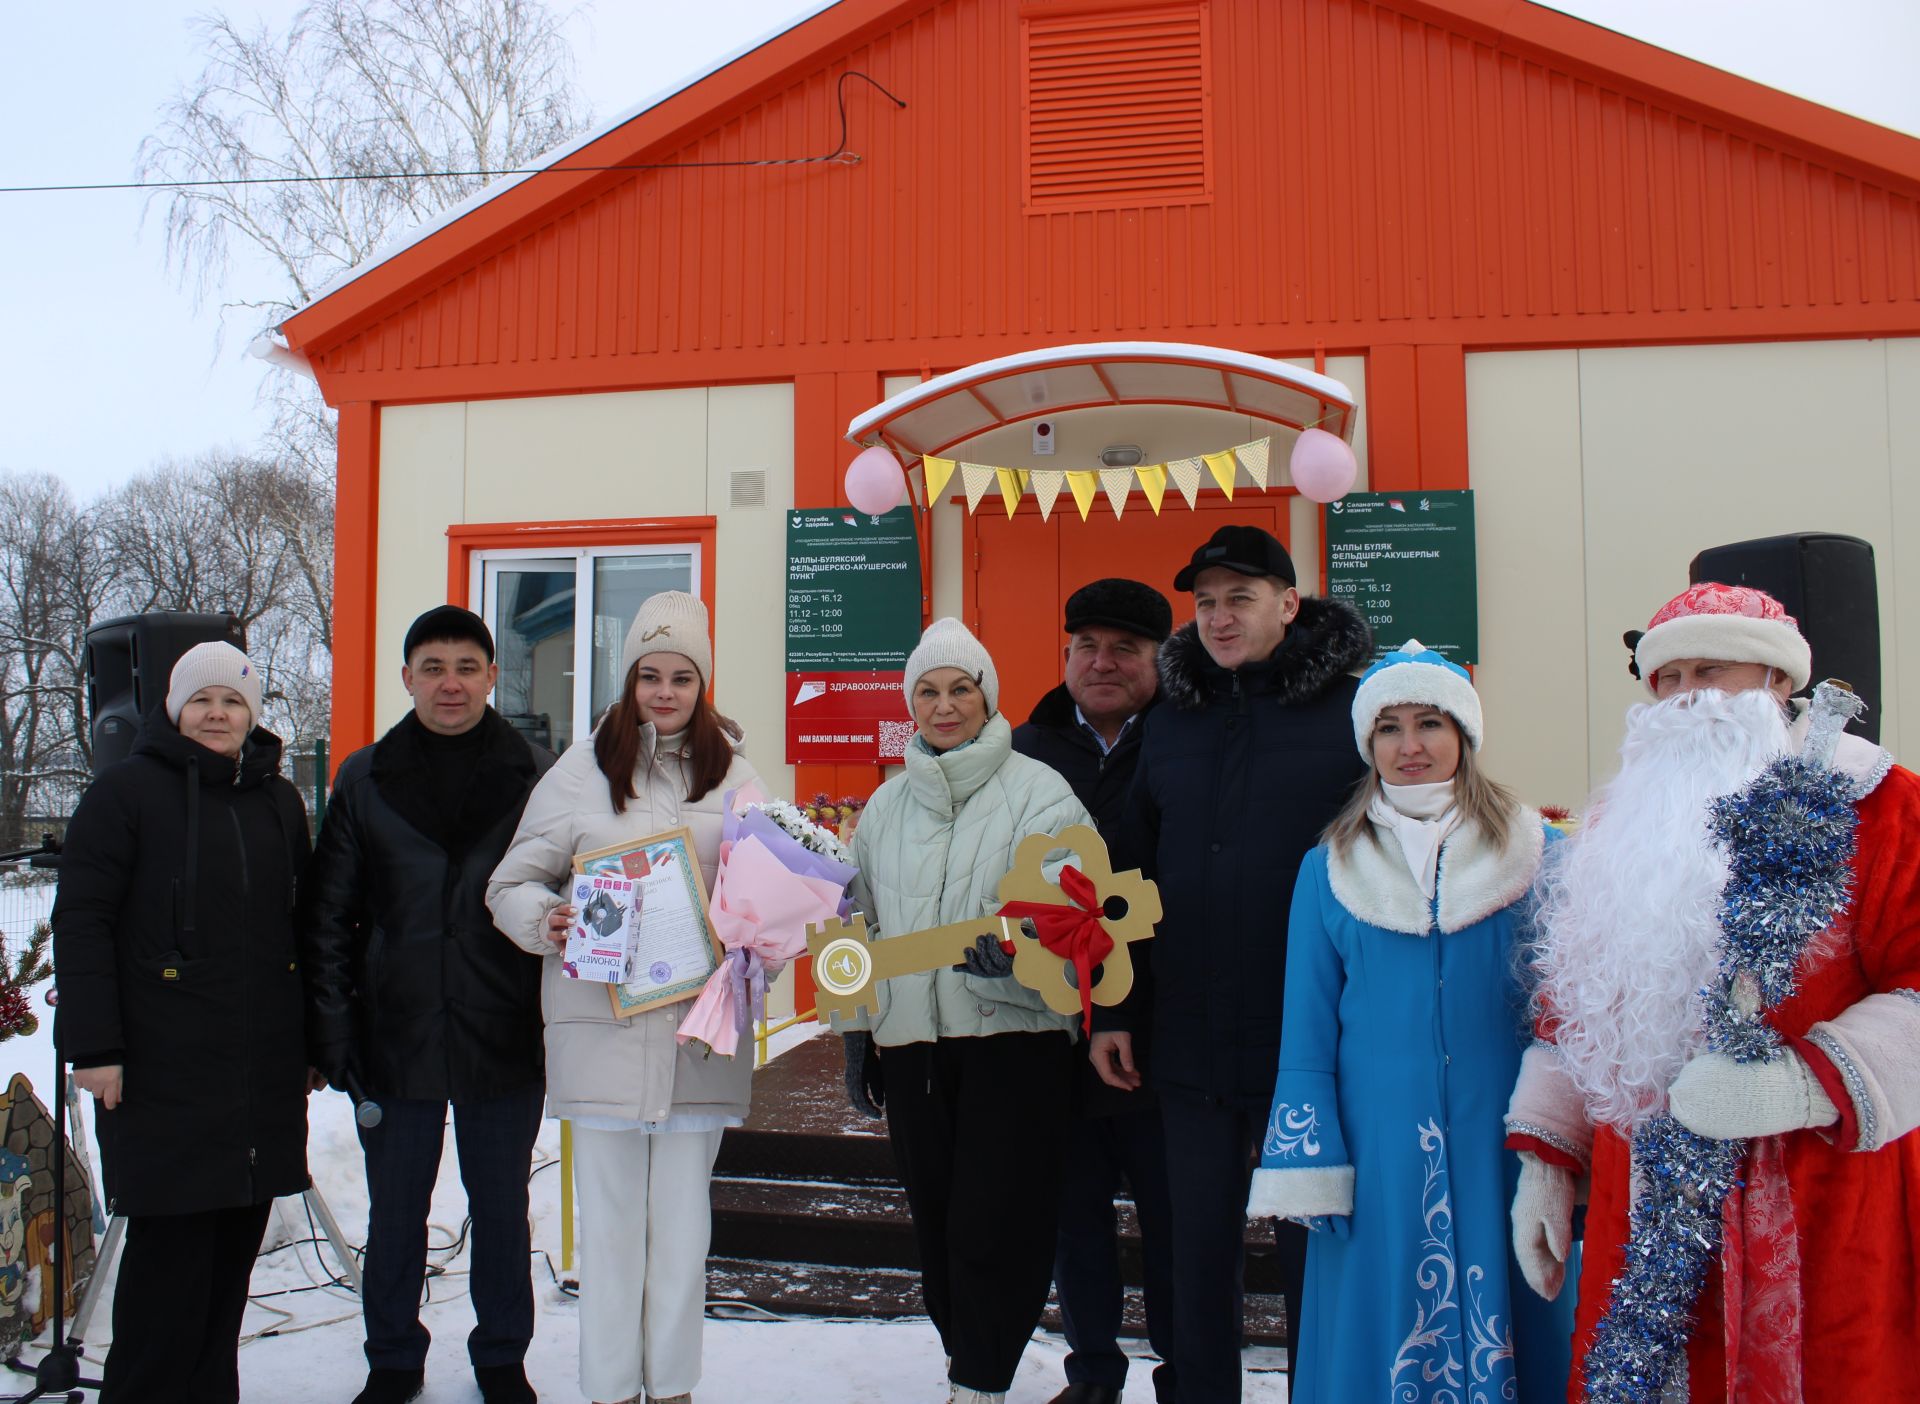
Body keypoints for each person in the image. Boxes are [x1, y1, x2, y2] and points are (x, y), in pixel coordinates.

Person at [1505, 582, 1920, 1403]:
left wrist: (1805, 1081)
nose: (1686, 695)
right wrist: (1551, 1161)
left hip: (1821, 1193)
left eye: (1712, 670)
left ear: (1775, 684)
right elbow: (1576, 1002)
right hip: (1645, 1197)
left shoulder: (1879, 803)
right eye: (1667, 677)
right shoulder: (1620, 825)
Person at [1247, 640, 1573, 1402]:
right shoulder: (1328, 865)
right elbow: (1307, 1025)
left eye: (1430, 722)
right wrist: (1309, 1153)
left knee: (1521, 1295)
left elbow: (1563, 1011)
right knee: (1381, 1307)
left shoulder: (1538, 854)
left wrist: (1561, 1139)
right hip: (1377, 1138)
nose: (1411, 745)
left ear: (1464, 734)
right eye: (1389, 727)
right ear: (1368, 743)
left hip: (1505, 1130)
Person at [1091, 524, 1370, 1403]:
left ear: (1289, 605)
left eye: (1239, 598)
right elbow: (1125, 876)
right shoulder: (1169, 722)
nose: (1218, 617)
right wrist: (1118, 1013)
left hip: (1314, 1045)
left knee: (1313, 1247)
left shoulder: (1355, 713)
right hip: (1187, 1037)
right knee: (1194, 1248)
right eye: (1205, 601)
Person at [487, 591, 758, 1404]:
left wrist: (757, 950)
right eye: (650, 675)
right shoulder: (578, 772)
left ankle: (671, 1389)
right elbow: (508, 884)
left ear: (702, 684)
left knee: (682, 1236)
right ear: (628, 677)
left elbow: (766, 900)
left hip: (697, 1042)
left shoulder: (738, 777)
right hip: (600, 1035)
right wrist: (550, 919)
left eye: (681, 677)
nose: (665, 692)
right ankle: (608, 1391)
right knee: (609, 1237)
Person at [301, 606, 554, 1404]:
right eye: (433, 667)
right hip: (395, 1032)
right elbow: (328, 917)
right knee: (397, 1210)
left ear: (492, 677)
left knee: (502, 1209)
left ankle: (501, 1357)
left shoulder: (537, 775)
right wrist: (335, 1032)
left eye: (467, 667)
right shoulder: (364, 778)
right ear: (407, 678)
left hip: (503, 1028)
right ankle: (393, 1360)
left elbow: (567, 891)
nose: (451, 683)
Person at [839, 617, 1093, 1404]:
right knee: (938, 1220)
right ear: (909, 703)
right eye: (928, 691)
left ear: (988, 697)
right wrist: (858, 1030)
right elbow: (860, 921)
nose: (944, 706)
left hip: (1012, 1043)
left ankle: (981, 1378)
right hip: (913, 1042)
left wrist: (1022, 962)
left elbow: (1077, 920)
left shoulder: (1041, 792)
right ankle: (967, 1363)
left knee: (999, 1220)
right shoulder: (884, 808)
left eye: (960, 689)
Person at [52, 641, 313, 1404]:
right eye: (202, 700)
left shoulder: (276, 800)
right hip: (161, 1075)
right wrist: (95, 1046)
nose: (217, 714)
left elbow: (297, 930)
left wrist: (310, 1046)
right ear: (173, 708)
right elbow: (83, 921)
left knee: (227, 1273)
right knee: (167, 1277)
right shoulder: (123, 794)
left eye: (233, 702)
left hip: (256, 1077)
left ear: (252, 714)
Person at [1011, 579, 1178, 1404]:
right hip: (1054, 1029)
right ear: (1065, 652)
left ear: (1160, 659)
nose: (1102, 663)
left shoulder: (1190, 738)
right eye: (1087, 646)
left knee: (1174, 1221)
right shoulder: (1022, 750)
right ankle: (1093, 1376)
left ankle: (1185, 1371)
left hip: (1167, 1026)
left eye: (1126, 649)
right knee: (1074, 1218)